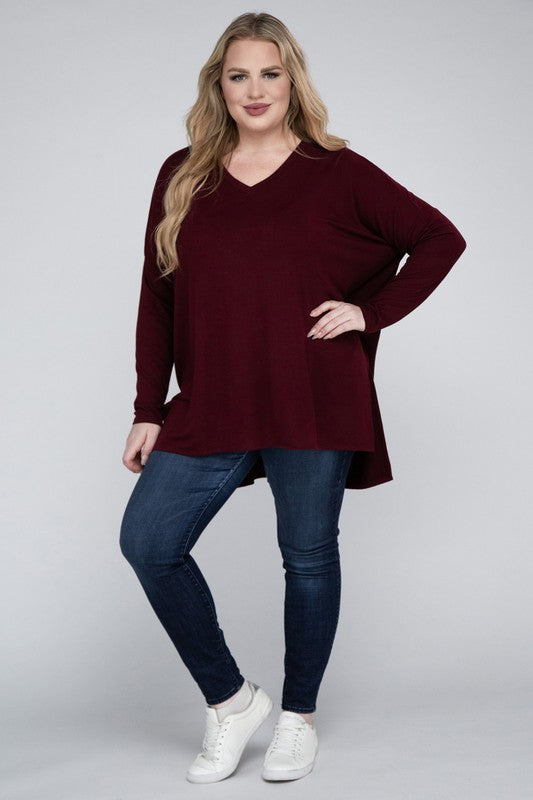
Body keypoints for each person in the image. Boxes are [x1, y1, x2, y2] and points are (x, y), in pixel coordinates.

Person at [119, 11, 467, 785]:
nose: (255, 89)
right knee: (148, 542)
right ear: (218, 85)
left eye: (269, 73)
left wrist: (368, 313)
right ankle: (231, 701)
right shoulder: (183, 173)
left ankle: (297, 718)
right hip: (214, 397)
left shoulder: (335, 170)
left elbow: (438, 237)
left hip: (312, 392)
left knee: (306, 556)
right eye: (238, 75)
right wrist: (148, 406)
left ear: (291, 81)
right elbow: (157, 296)